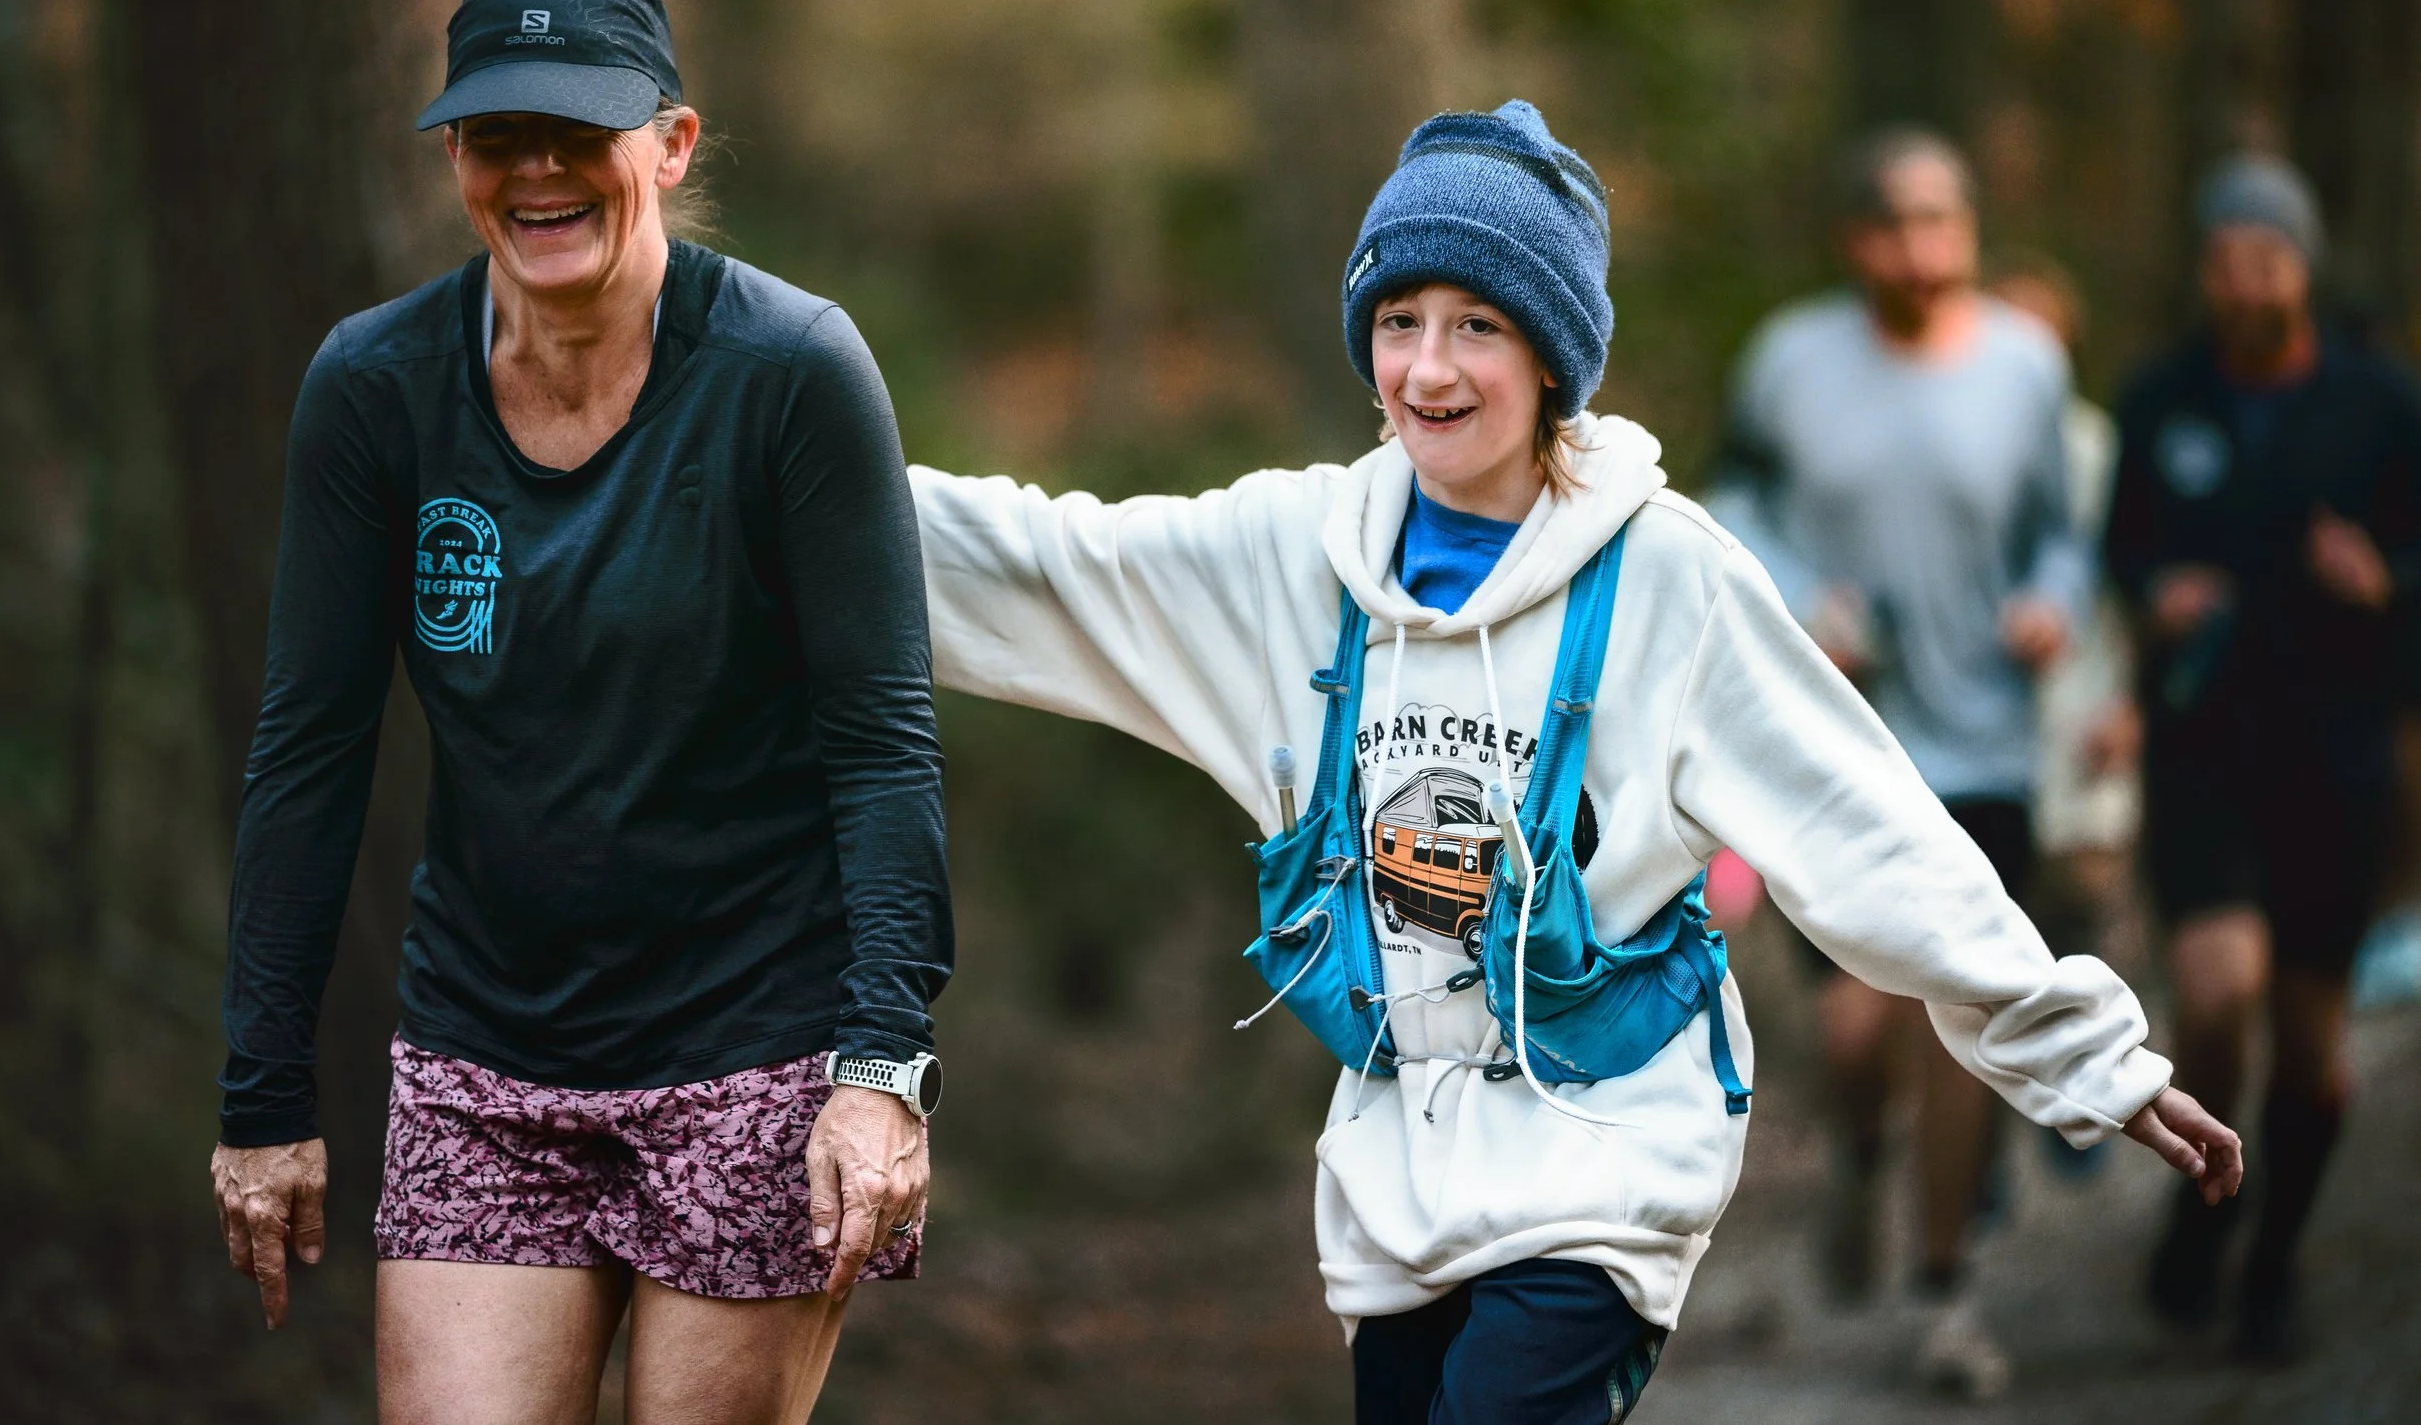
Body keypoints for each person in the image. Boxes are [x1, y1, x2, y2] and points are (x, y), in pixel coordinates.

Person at [908, 101, 2239, 1423]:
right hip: (1399, 1156)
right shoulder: (1293, 555)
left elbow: (1862, 821)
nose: (1428, 368)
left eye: (1476, 324)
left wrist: (2088, 1053)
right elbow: (1039, 567)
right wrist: (768, 455)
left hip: (1609, 1146)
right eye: (1398, 321)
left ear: (1552, 354)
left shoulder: (1667, 573)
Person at [207, 0, 952, 1424]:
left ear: (670, 145)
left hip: (755, 1047)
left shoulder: (789, 371)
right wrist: (262, 1094)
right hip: (487, 1057)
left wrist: (883, 1067)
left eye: (578, 131)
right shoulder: (375, 386)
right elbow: (310, 750)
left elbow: (880, 744)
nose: (537, 169)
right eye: (496, 137)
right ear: (453, 161)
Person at [1706, 127, 2087, 1396]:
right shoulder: (1790, 362)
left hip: (1982, 745)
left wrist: (2047, 598)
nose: (1924, 250)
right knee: (1858, 1031)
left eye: (1944, 222)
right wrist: (1799, 590)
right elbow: (1733, 500)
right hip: (1829, 742)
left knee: (1957, 1023)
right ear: (1855, 240)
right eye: (1899, 226)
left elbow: (2059, 530)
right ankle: (1860, 1152)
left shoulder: (2026, 364)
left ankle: (1949, 1295)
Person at [2108, 153, 2421, 1359]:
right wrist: (2156, 593)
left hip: (2335, 763)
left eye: (2267, 256)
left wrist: (2384, 577)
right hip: (2202, 754)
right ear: (2203, 269)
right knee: (2217, 994)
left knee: (2313, 1049)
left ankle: (2273, 1259)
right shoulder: (2158, 399)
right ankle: (2200, 1213)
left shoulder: (2379, 401)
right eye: (2225, 257)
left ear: (2302, 263)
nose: (2246, 280)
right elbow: (2120, 548)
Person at [1987, 251, 2146, 985]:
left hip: (2085, 719)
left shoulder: (2103, 451)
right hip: (1976, 741)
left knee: (2083, 944)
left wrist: (2132, 706)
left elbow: (2136, 589)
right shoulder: (1952, 449)